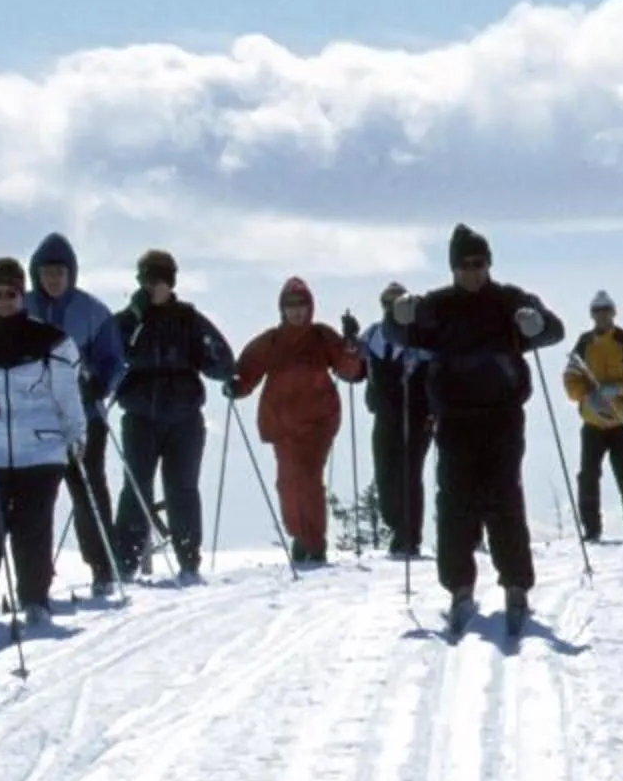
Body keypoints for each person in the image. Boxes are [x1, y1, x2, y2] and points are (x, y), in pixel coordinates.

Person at [392, 223, 561, 632]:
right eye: (465, 265)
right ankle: (459, 587)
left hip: (502, 416)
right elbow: (401, 332)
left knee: (504, 499)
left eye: (480, 263)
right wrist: (397, 314)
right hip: (454, 418)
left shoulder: (509, 300)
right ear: (453, 267)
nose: (473, 271)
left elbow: (555, 330)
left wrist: (534, 323)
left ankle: (516, 585)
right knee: (454, 503)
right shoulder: (437, 304)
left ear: (489, 264)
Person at [0, 257, 86, 628]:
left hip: (40, 450)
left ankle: (34, 599)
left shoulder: (51, 341)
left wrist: (76, 433)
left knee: (33, 529)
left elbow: (67, 394)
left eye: (11, 292)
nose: (5, 300)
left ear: (22, 293)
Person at [110, 248, 236, 579]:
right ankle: (125, 561)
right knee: (136, 487)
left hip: (184, 416)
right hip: (140, 415)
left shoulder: (189, 320)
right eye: (148, 279)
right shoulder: (127, 321)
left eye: (160, 279)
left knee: (182, 487)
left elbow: (221, 360)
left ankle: (188, 558)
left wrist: (223, 370)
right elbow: (107, 358)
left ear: (171, 281)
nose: (154, 286)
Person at [22, 232, 130, 601]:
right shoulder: (22, 308)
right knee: (37, 499)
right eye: (47, 272)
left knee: (88, 492)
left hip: (84, 418)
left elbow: (114, 360)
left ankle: (102, 566)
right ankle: (35, 577)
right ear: (36, 274)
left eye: (59, 273)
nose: (53, 279)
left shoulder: (92, 311)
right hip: (34, 421)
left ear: (71, 274)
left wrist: (100, 384)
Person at [233, 277, 366, 565]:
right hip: (282, 427)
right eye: (291, 305)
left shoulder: (322, 337)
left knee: (307, 478)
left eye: (301, 305)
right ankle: (299, 535)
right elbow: (247, 372)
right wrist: (236, 387)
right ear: (282, 309)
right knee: (286, 483)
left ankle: (314, 542)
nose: (297, 311)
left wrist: (352, 347)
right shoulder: (271, 341)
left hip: (319, 422)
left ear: (310, 307)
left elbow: (348, 369)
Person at [563, 290, 623, 543]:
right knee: (588, 476)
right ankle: (591, 530)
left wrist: (621, 388)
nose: (601, 315)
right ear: (592, 315)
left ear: (613, 313)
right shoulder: (584, 343)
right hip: (593, 422)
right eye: (597, 311)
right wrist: (585, 395)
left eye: (606, 310)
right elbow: (571, 378)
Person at [360, 282, 436, 558]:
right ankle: (397, 524)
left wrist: (435, 409)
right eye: (387, 304)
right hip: (384, 412)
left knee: (409, 471)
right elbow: (354, 366)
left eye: (397, 304)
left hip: (417, 413)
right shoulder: (372, 336)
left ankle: (409, 535)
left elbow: (434, 372)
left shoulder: (420, 337)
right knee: (385, 474)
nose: (391, 310)